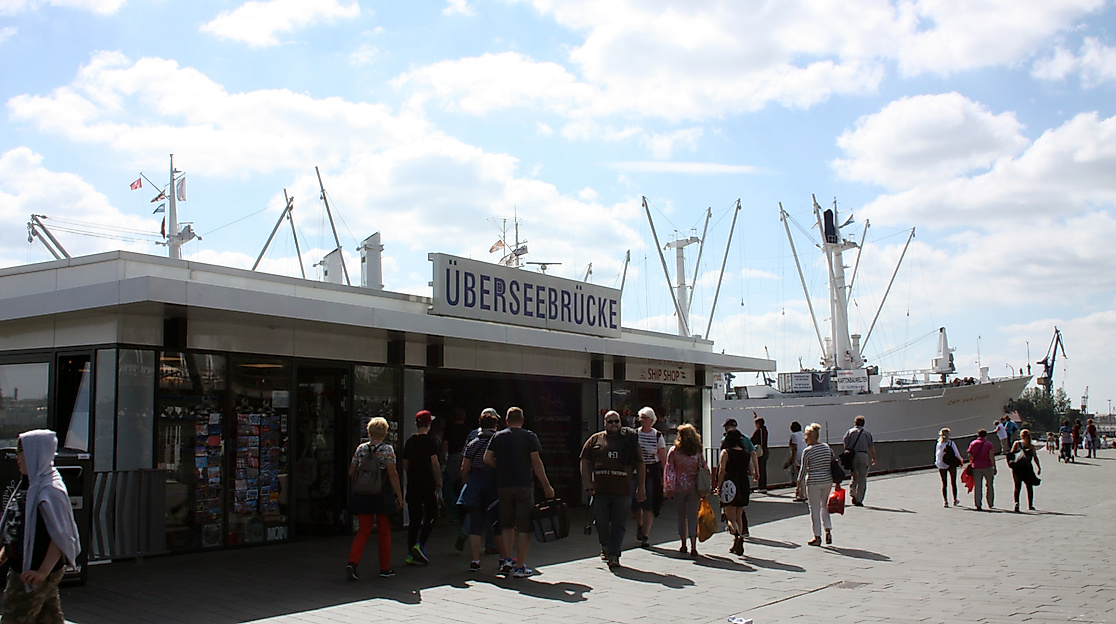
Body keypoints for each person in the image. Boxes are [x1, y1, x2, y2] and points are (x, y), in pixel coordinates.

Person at [0, 430, 81, 623]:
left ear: (34, 453)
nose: (17, 457)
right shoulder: (29, 483)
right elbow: (17, 525)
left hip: (31, 572)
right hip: (27, 568)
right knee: (49, 618)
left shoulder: (50, 489)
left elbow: (60, 535)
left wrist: (42, 571)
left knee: (14, 618)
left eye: (21, 451)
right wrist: (5, 553)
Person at [483, 406, 555, 578]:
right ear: (522, 420)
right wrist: (546, 485)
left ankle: (506, 559)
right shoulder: (529, 437)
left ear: (506, 421)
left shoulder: (498, 436)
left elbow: (486, 458)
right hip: (524, 485)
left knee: (507, 524)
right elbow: (536, 462)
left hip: (503, 485)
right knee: (524, 527)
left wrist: (499, 468)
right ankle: (520, 566)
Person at [580, 410, 645, 568]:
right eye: (610, 422)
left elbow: (641, 463)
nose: (614, 424)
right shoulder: (595, 439)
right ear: (604, 423)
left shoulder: (629, 441)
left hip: (622, 491)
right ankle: (605, 546)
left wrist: (641, 487)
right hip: (600, 491)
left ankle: (614, 555)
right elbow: (584, 461)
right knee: (601, 523)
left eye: (617, 421)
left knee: (619, 524)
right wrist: (588, 485)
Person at [347, 417, 404, 580]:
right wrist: (399, 496)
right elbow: (392, 474)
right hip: (382, 494)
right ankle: (384, 568)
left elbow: (351, 471)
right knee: (384, 531)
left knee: (363, 530)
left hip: (363, 494)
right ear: (385, 432)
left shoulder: (361, 449)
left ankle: (352, 562)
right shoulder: (387, 450)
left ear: (369, 432)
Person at [459, 409, 504, 572]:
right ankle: (503, 559)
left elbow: (464, 468)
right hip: (493, 484)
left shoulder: (472, 444)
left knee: (475, 526)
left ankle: (475, 561)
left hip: (475, 484)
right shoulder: (499, 442)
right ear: (495, 425)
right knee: (497, 524)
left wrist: (467, 484)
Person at [402, 410, 442, 566]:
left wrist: (411, 474)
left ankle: (410, 551)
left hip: (413, 483)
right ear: (429, 424)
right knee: (431, 514)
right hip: (427, 482)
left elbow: (405, 463)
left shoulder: (410, 441)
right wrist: (438, 479)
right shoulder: (431, 442)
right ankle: (420, 544)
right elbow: (434, 462)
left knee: (414, 518)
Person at [663, 423, 708, 557]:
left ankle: (683, 543)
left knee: (681, 516)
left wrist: (668, 487)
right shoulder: (697, 451)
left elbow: (669, 470)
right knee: (692, 515)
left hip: (679, 487)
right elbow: (704, 467)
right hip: (694, 487)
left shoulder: (674, 450)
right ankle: (694, 545)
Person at [716, 428, 759, 555]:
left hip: (730, 484)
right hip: (743, 484)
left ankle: (737, 535)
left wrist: (719, 485)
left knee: (730, 518)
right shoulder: (746, 453)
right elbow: (752, 471)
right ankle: (737, 542)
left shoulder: (726, 452)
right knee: (739, 516)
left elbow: (721, 470)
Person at [631, 406, 666, 548]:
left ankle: (645, 534)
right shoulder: (634, 435)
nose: (642, 420)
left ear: (651, 420)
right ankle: (639, 524)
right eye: (641, 417)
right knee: (634, 503)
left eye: (645, 418)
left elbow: (662, 457)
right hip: (636, 471)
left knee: (648, 503)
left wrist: (664, 475)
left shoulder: (658, 436)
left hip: (651, 470)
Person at [797, 423, 835, 546]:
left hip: (813, 481)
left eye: (806, 436)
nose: (805, 439)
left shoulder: (807, 451)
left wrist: (799, 485)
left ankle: (817, 536)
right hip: (827, 480)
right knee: (824, 506)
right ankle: (828, 528)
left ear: (810, 436)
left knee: (814, 509)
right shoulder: (826, 447)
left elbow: (803, 470)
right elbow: (832, 462)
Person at [842, 416, 876, 506]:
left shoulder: (849, 432)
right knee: (862, 478)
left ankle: (852, 492)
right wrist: (873, 457)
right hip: (863, 455)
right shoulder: (867, 433)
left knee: (854, 475)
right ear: (863, 423)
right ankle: (859, 499)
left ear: (855, 423)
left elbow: (845, 444)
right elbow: (871, 447)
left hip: (853, 455)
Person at [442, 407, 469, 520]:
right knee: (463, 484)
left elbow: (444, 446)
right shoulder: (467, 430)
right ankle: (464, 508)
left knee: (447, 485)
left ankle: (454, 508)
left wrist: (442, 459)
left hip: (452, 458)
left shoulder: (449, 429)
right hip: (465, 457)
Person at [1009, 429, 1041, 512]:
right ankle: (1030, 504)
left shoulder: (1017, 444)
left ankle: (1016, 503)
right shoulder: (1031, 446)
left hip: (1017, 468)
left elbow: (1012, 455)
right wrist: (1039, 467)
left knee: (1017, 487)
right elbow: (1035, 457)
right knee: (1029, 487)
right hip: (1027, 468)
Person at [967, 429, 997, 510]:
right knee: (989, 485)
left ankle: (978, 504)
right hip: (987, 466)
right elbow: (991, 456)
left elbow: (970, 454)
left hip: (976, 466)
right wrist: (994, 466)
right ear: (986, 435)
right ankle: (990, 503)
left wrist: (971, 462)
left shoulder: (973, 443)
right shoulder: (989, 444)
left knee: (978, 486)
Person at [934, 428, 962, 507]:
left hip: (941, 465)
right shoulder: (951, 443)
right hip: (951, 464)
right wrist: (960, 461)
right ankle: (955, 499)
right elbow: (956, 454)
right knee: (953, 482)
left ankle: (945, 501)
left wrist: (937, 463)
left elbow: (937, 454)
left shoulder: (939, 444)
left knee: (944, 483)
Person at [785, 421, 807, 501]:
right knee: (804, 475)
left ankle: (801, 494)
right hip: (805, 455)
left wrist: (791, 459)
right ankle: (805, 493)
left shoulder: (794, 435)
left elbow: (794, 448)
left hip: (798, 457)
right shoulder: (803, 434)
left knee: (799, 476)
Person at [750, 416, 769, 493]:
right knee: (763, 469)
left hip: (760, 452)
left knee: (759, 468)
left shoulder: (758, 431)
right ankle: (764, 486)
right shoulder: (765, 430)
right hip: (765, 451)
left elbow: (752, 440)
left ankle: (761, 487)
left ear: (758, 424)